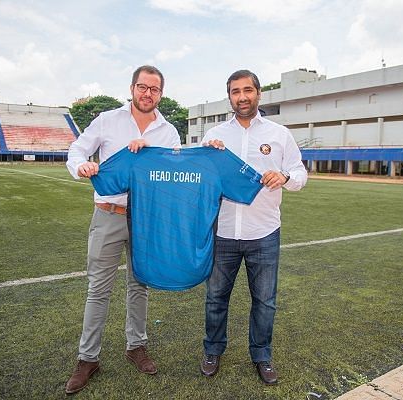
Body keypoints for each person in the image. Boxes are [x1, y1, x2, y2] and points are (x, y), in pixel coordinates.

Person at [65, 65, 180, 395]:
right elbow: (77, 149)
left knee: (139, 286)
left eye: (154, 89)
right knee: (98, 288)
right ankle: (88, 358)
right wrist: (82, 165)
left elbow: (173, 173)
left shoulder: (168, 131)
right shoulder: (107, 120)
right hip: (108, 214)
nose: (148, 94)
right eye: (142, 87)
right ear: (132, 88)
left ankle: (136, 346)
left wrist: (151, 158)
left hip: (146, 218)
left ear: (161, 94)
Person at [200, 70, 307, 385]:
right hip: (223, 232)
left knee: (265, 300)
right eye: (235, 91)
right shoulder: (214, 135)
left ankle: (262, 355)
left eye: (248, 90)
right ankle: (212, 350)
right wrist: (209, 156)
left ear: (259, 94)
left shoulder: (279, 134)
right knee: (216, 297)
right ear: (229, 96)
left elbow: (299, 172)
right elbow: (200, 179)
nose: (242, 96)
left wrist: (285, 177)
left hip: (264, 233)